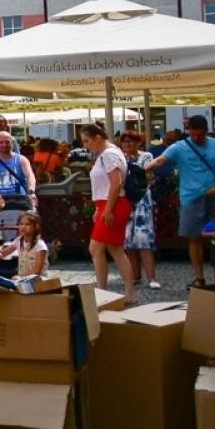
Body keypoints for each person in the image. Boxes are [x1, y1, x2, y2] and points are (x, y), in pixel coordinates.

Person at [144, 114, 215, 288]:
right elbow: (160, 160)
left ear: (207, 131)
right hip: (190, 197)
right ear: (189, 131)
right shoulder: (180, 147)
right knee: (194, 238)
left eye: (200, 134)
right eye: (194, 134)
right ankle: (199, 278)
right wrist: (142, 170)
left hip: (213, 195)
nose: (197, 138)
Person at [79, 123, 136, 304]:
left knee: (96, 248)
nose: (86, 145)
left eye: (87, 141)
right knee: (115, 249)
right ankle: (126, 292)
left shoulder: (108, 154)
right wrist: (100, 207)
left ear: (98, 137)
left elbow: (116, 183)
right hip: (110, 203)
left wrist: (108, 208)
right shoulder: (110, 152)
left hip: (113, 204)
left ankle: (103, 291)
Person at [118, 131, 160, 290]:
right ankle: (135, 275)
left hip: (142, 200)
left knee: (143, 238)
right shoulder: (120, 157)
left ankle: (152, 277)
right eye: (125, 141)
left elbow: (148, 176)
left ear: (138, 143)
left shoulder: (146, 156)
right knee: (128, 239)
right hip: (126, 199)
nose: (128, 144)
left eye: (131, 141)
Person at [1, 211, 49, 278]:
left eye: (27, 224)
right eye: (21, 224)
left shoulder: (40, 246)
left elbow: (37, 271)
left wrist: (20, 276)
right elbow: (3, 253)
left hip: (38, 281)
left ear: (36, 226)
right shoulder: (18, 240)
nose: (23, 227)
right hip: (23, 280)